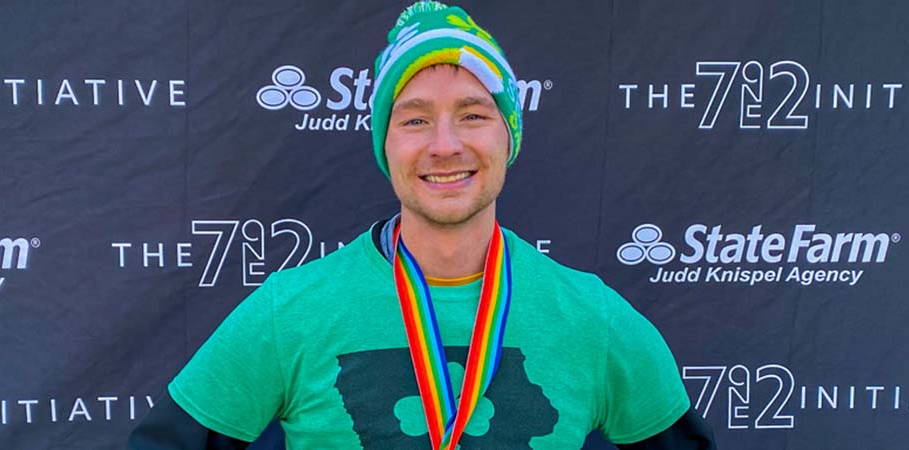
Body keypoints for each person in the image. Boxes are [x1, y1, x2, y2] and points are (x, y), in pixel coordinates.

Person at [129, 2, 715, 449]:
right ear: (385, 145)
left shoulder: (592, 316)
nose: (444, 145)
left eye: (474, 114)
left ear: (508, 135)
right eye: (414, 119)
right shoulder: (292, 311)